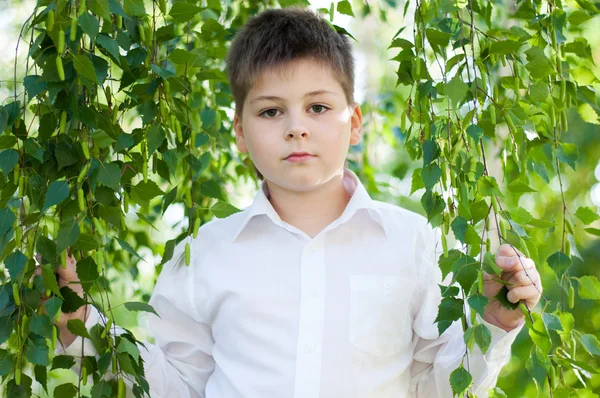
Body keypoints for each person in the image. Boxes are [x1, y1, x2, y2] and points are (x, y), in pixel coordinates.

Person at [53, 7, 542, 398]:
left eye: (318, 107)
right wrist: (85, 328)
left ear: (354, 123)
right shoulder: (203, 252)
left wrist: (495, 325)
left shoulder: (412, 242)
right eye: (271, 111)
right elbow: (173, 386)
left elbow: (434, 389)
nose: (296, 127)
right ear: (241, 133)